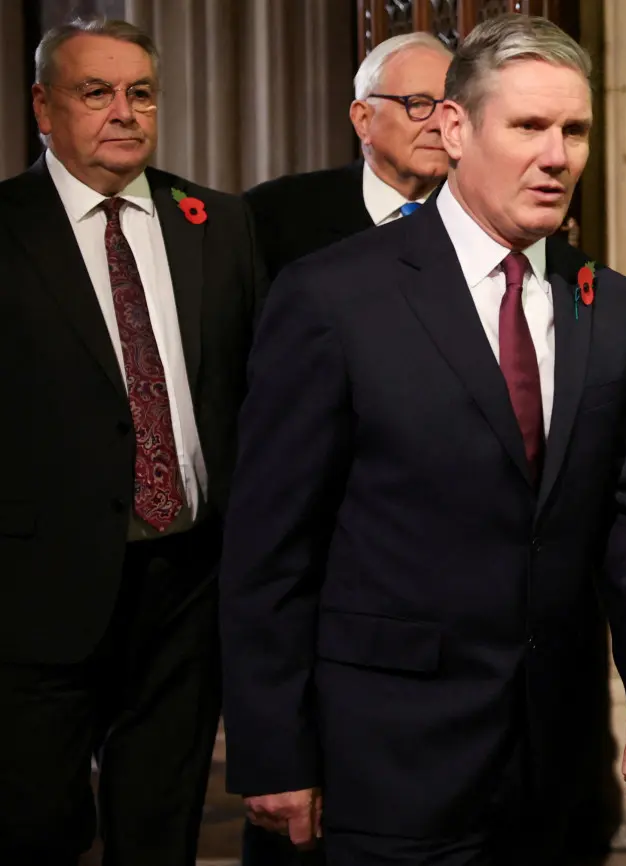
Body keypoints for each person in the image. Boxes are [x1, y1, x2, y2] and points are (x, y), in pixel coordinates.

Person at [219, 14, 626, 866]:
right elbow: (269, 548)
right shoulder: (334, 297)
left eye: (575, 130)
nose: (557, 155)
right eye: (528, 127)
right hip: (385, 762)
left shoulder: (609, 303)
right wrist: (274, 747)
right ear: (455, 128)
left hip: (556, 763)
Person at [0, 17, 266, 866]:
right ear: (44, 106)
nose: (124, 111)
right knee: (36, 830)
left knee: (161, 828)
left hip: (187, 585)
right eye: (96, 92)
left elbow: (252, 393)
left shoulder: (217, 224)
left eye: (140, 92)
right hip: (38, 596)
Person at [243, 32, 453, 281]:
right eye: (418, 104)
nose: (439, 124)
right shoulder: (274, 215)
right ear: (363, 120)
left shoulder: (481, 215)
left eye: (450, 108)